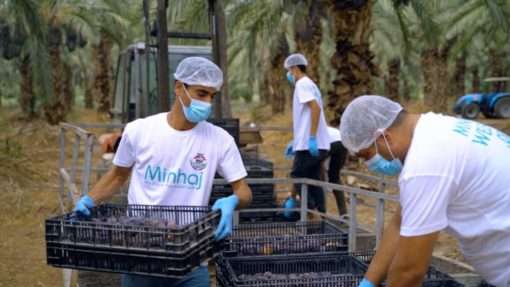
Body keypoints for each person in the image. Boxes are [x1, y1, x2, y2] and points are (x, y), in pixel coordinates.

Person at [73, 57, 252, 287]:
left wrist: (233, 200)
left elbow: (244, 191)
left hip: (190, 258)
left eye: (211, 96)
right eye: (201, 93)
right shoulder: (140, 131)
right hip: (141, 254)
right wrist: (89, 199)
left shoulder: (219, 140)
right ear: (179, 87)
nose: (207, 103)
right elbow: (118, 175)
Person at [339, 95, 510, 287]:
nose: (369, 164)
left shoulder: (424, 164)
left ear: (384, 137)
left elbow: (409, 272)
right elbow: (400, 223)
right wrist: (368, 283)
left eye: (367, 156)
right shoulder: (434, 127)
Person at [282, 53, 330, 215]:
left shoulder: (302, 84)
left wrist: (311, 138)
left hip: (309, 145)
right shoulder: (311, 84)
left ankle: (308, 212)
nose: (288, 75)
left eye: (289, 71)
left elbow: (315, 108)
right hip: (318, 144)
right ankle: (321, 217)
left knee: (298, 176)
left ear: (295, 68)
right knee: (314, 181)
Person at [325, 124, 348, 215]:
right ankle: (344, 214)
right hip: (343, 143)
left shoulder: (304, 135)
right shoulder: (327, 128)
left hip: (331, 143)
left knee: (314, 175)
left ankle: (319, 212)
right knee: (335, 178)